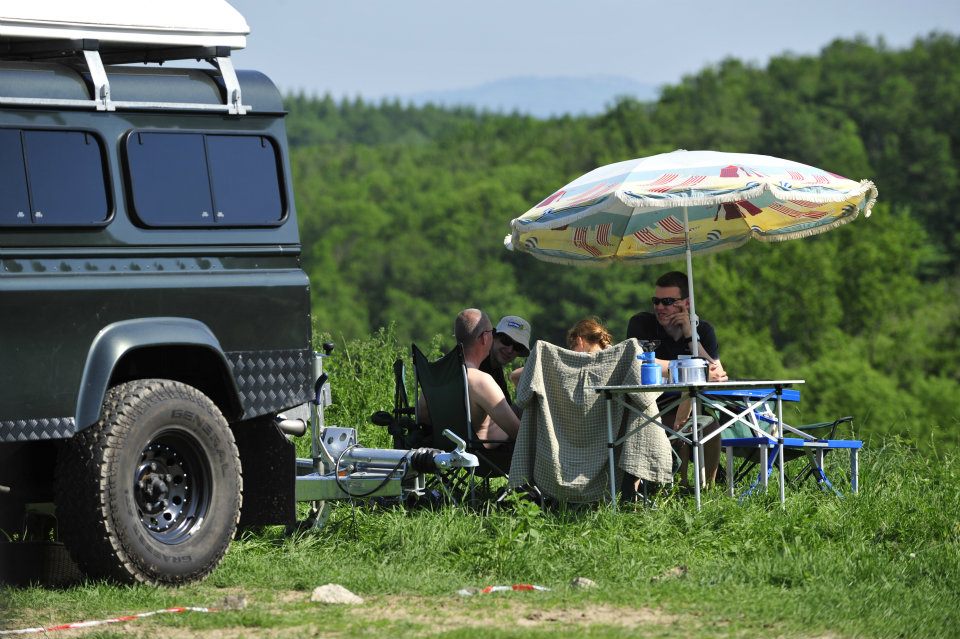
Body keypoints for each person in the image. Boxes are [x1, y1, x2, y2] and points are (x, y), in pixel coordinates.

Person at [626, 270, 728, 487]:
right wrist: (692, 370)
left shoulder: (703, 330)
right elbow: (640, 362)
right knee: (676, 426)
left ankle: (708, 490)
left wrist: (691, 335)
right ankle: (667, 487)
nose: (660, 307)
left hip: (693, 405)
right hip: (651, 407)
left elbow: (717, 373)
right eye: (656, 301)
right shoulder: (642, 323)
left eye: (668, 302)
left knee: (710, 428)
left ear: (687, 304)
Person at [452, 308, 521, 446]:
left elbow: (422, 418)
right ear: (485, 338)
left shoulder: (438, 372)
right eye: (491, 333)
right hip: (478, 455)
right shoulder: (481, 381)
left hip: (438, 452)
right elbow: (519, 433)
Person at [479, 315, 532, 410]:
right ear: (493, 337)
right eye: (506, 341)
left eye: (518, 347)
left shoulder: (496, 369)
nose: (510, 350)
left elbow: (506, 408)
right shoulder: (477, 364)